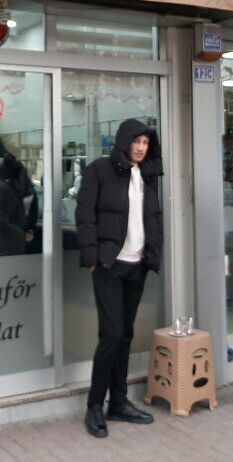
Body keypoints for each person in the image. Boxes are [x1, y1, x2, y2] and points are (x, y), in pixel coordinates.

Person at [76, 118, 163, 439]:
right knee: (111, 335)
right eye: (136, 142)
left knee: (125, 335)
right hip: (110, 265)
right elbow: (84, 213)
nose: (141, 148)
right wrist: (93, 258)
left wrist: (153, 253)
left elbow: (152, 218)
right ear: (124, 141)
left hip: (137, 265)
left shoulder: (148, 175)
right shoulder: (101, 169)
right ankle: (95, 406)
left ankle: (119, 401)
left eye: (145, 143)